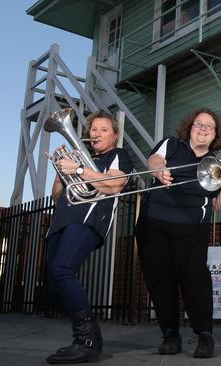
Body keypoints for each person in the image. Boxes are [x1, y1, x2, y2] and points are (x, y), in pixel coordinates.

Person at [135, 108, 221, 359]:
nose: (202, 129)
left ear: (215, 135)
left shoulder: (216, 164)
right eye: (198, 124)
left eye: (209, 126)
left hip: (192, 229)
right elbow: (154, 159)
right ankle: (170, 335)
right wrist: (158, 170)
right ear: (189, 128)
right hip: (154, 224)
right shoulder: (171, 144)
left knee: (195, 280)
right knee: (160, 281)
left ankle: (204, 335)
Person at [45, 111, 133, 364]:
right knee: (56, 279)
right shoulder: (79, 157)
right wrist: (61, 168)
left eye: (104, 129)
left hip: (89, 219)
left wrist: (79, 168)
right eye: (93, 129)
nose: (96, 133)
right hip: (62, 220)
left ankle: (88, 341)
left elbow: (114, 185)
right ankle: (81, 338)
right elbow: (56, 195)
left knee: (63, 270)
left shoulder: (118, 155)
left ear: (114, 136)